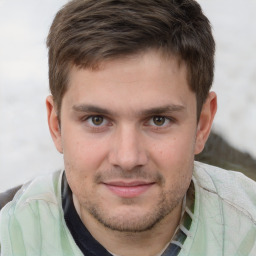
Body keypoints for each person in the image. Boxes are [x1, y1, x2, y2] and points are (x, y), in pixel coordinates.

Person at [0, 0, 256, 255]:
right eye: (96, 119)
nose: (128, 158)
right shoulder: (9, 235)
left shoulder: (248, 232)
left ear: (202, 125)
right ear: (56, 125)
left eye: (158, 119)